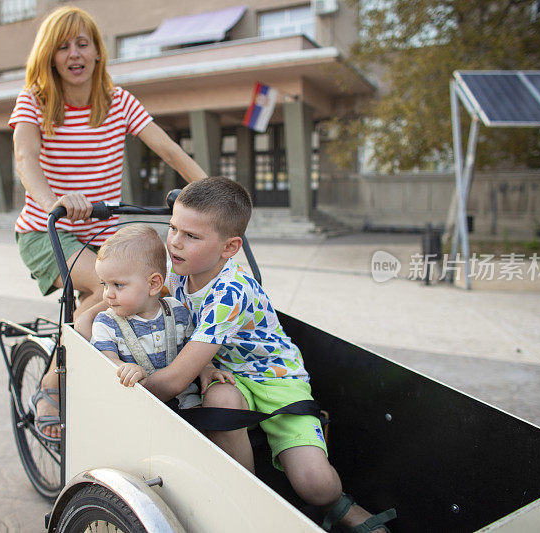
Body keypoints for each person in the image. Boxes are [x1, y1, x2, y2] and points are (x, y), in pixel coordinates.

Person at [134, 177, 396, 533]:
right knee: (221, 398)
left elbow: (177, 379)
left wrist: (126, 393)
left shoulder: (231, 291)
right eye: (173, 228)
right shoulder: (182, 272)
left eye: (191, 236)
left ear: (230, 248)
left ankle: (340, 504)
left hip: (276, 379)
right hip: (230, 377)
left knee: (317, 484)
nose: (175, 243)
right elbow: (170, 316)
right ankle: (250, 497)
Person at [9, 6, 206, 440]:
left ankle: (135, 372)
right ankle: (52, 384)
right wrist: (54, 202)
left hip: (103, 232)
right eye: (63, 46)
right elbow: (25, 160)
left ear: (98, 53)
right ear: (50, 56)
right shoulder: (36, 100)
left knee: (158, 287)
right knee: (107, 290)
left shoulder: (118, 102)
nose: (74, 53)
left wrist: (216, 195)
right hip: (47, 228)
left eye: (83, 44)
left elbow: (169, 150)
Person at [88, 224, 233, 409]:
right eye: (104, 284)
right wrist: (121, 367)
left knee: (201, 431)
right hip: (136, 405)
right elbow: (104, 360)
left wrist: (207, 369)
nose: (108, 294)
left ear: (154, 284)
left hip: (186, 402)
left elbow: (192, 350)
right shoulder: (107, 323)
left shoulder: (177, 311)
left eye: (118, 285)